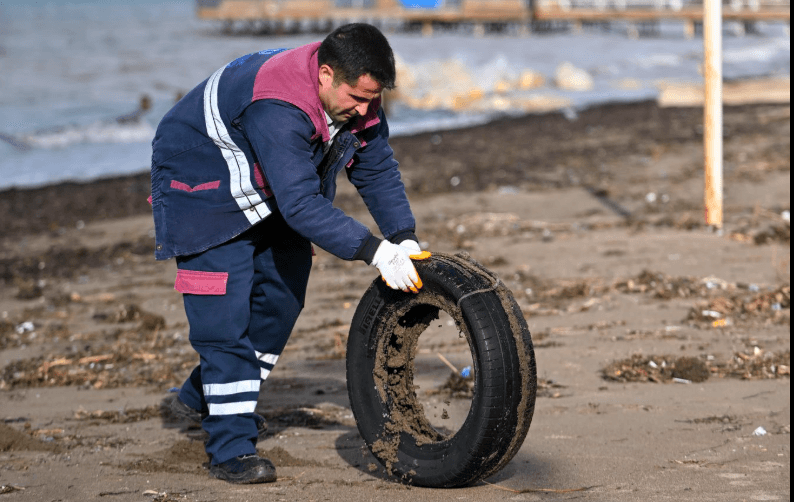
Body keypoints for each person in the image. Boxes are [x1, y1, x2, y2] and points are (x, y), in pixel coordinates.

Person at [149, 23, 428, 484]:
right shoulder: (279, 104)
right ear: (324, 74)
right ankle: (230, 447)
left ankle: (209, 395)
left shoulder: (360, 101)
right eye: (357, 98)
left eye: (372, 99)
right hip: (202, 185)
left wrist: (404, 236)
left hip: (268, 183)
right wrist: (375, 252)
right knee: (223, 321)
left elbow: (376, 168)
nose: (364, 110)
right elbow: (299, 204)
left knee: (282, 297)